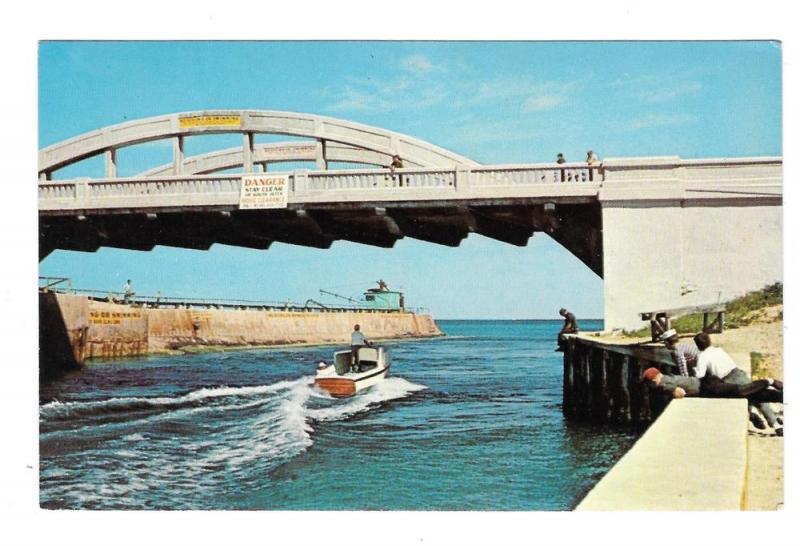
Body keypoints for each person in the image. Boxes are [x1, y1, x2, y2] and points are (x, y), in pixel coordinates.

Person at [693, 332, 782, 435]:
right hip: (737, 372)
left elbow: (700, 375)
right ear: (709, 341)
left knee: (745, 394)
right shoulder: (718, 350)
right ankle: (776, 425)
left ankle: (752, 411)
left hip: (726, 379)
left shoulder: (703, 356)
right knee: (758, 394)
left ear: (698, 345)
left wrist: (694, 369)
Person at [642, 367, 783, 406]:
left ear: (654, 380)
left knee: (740, 391)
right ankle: (781, 397)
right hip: (708, 384)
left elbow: (680, 392)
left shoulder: (662, 384)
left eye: (649, 384)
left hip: (708, 387)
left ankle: (768, 381)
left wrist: (672, 394)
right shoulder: (667, 377)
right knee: (749, 395)